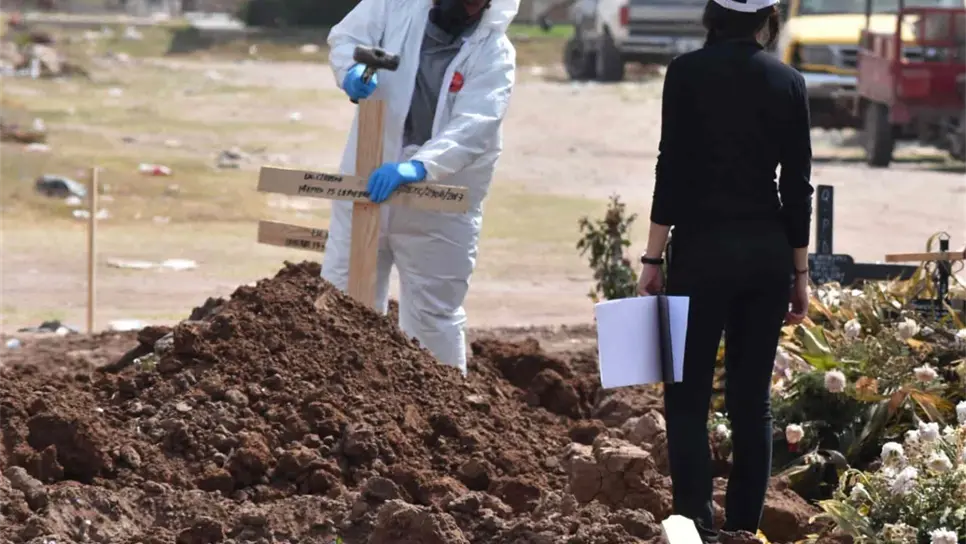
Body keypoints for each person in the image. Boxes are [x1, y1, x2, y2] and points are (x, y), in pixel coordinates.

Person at [635, 0, 813, 541]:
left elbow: (673, 168)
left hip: (700, 253)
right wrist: (799, 273)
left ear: (712, 17)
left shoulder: (685, 73)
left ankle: (695, 523)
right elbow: (797, 187)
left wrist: (651, 257)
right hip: (765, 256)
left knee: (686, 395)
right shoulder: (788, 81)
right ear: (767, 19)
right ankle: (742, 530)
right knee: (750, 399)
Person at [324, 0, 518, 375]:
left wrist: (419, 166)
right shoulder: (394, 6)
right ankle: (336, 402)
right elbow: (347, 36)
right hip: (369, 176)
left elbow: (476, 125)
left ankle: (443, 421)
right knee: (344, 302)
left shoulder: (494, 52)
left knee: (433, 320)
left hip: (438, 202)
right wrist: (352, 69)